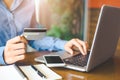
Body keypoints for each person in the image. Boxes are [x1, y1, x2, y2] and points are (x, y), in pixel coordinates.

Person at [0, 0, 88, 65]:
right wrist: (2, 54)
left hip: (22, 66)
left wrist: (63, 44)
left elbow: (33, 37)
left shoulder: (28, 2)